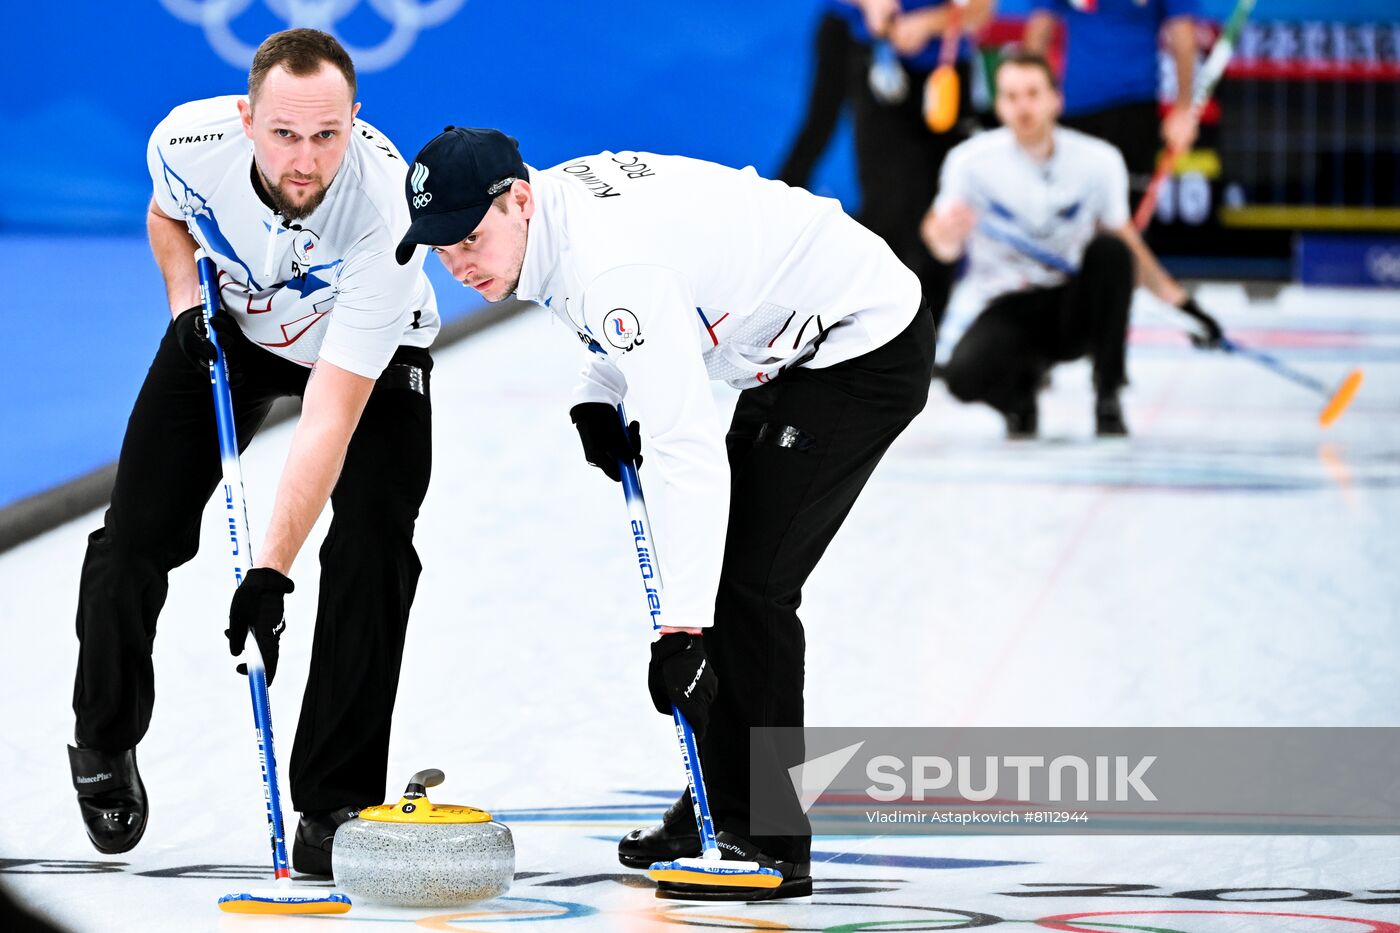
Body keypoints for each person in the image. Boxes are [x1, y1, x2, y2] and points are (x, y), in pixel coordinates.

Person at [393, 128, 933, 899]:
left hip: (861, 345)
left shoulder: (611, 262)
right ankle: (719, 799)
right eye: (441, 251)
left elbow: (685, 448)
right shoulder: (550, 216)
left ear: (516, 198)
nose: (459, 266)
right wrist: (597, 388)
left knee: (751, 587)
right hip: (785, 337)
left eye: (470, 240)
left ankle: (772, 837)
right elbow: (622, 308)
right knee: (727, 578)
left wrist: (680, 633)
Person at [66, 29, 438, 877]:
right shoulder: (187, 142)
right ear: (246, 118)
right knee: (133, 537)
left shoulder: (388, 217)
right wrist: (180, 308)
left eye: (325, 135)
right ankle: (102, 737)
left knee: (375, 543)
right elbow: (167, 217)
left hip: (365, 351)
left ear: (355, 121)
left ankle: (333, 800)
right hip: (228, 326)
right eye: (283, 134)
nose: (304, 160)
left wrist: (270, 572)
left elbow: (330, 418)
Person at [921, 50, 1220, 438]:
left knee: (1111, 252)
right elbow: (938, 235)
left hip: (1073, 305)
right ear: (998, 104)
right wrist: (943, 236)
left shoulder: (1099, 161)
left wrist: (1183, 306)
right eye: (1011, 96)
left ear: (1055, 99)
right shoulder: (969, 162)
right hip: (1007, 305)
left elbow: (1125, 242)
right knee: (961, 377)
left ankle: (1109, 393)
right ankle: (1018, 398)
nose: (1022, 106)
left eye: (1032, 93)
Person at [849, 0, 996, 323]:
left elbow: (981, 11)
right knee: (885, 204)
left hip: (946, 77)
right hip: (882, 69)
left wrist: (930, 22)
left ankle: (925, 333)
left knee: (941, 207)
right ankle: (865, 329)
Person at [1024, 0, 1202, 209]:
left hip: (1120, 106)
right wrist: (1182, 109)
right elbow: (1039, 32)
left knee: (1084, 217)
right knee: (1100, 218)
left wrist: (1182, 110)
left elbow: (1183, 36)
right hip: (1101, 108)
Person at [775, 1, 863, 190]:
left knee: (879, 134)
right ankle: (785, 192)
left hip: (906, 48)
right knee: (820, 119)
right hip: (845, 30)